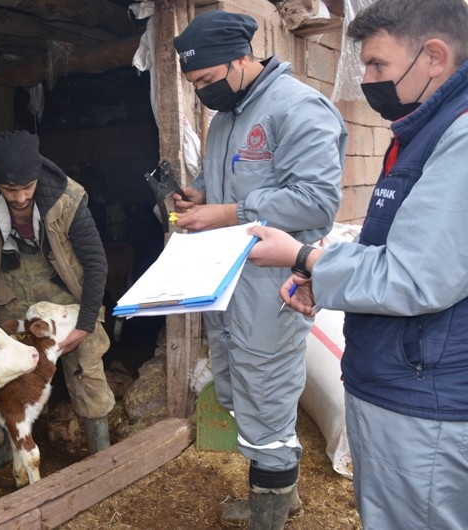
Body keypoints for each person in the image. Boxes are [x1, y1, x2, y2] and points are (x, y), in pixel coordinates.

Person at [247, 1, 468, 528]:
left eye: (377, 66)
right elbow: (400, 250)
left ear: (434, 56)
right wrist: (319, 274)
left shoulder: (458, 138)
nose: (367, 80)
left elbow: (416, 277)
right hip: (402, 378)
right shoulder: (424, 132)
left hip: (424, 395)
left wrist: (301, 255)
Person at [171, 11, 347, 529]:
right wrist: (201, 195)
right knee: (240, 391)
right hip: (227, 281)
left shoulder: (298, 110)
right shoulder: (227, 116)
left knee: (266, 392)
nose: (202, 92)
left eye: (206, 80)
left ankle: (268, 516)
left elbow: (317, 202)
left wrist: (226, 213)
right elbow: (223, 180)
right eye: (193, 84)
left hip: (273, 286)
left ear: (242, 59)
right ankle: (281, 491)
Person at [0, 130, 115, 469]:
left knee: (85, 365)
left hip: (63, 285)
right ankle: (12, 446)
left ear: (37, 178)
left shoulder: (68, 198)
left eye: (27, 188)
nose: (19, 198)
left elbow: (95, 262)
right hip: (12, 283)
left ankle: (102, 451)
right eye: (9, 190)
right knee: (11, 367)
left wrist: (87, 321)